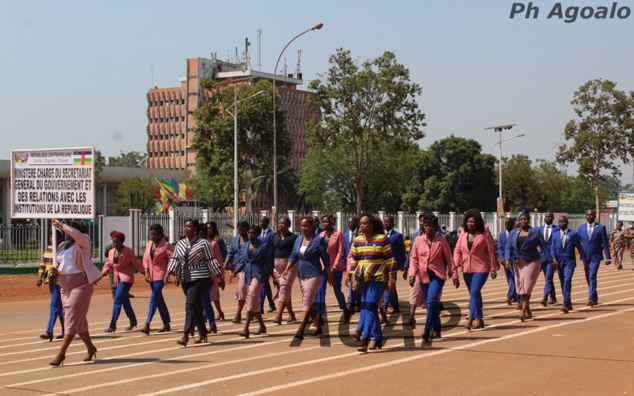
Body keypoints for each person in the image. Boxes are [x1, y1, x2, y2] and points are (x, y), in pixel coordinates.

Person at [49, 219, 102, 366]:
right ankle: (91, 348)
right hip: (65, 286)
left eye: (68, 230)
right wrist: (56, 270)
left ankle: (61, 354)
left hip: (81, 285)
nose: (65, 233)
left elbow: (76, 235)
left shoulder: (84, 242)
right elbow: (62, 263)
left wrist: (61, 225)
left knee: (71, 319)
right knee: (78, 321)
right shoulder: (63, 245)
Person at [167, 219, 222, 346]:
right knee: (196, 306)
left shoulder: (203, 243)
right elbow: (175, 259)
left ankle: (185, 334)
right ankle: (203, 332)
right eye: (185, 226)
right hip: (185, 278)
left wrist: (219, 276)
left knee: (190, 304)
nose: (187, 229)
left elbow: (211, 260)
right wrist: (168, 273)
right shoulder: (180, 244)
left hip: (200, 278)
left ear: (196, 229)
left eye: (190, 227)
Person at [349, 213, 396, 352]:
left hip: (378, 279)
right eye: (361, 224)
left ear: (372, 225)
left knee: (369, 306)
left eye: (365, 223)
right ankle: (378, 338)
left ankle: (364, 338)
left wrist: (392, 279)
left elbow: (390, 261)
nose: (362, 226)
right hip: (362, 279)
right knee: (369, 307)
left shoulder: (382, 239)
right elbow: (354, 261)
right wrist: (354, 279)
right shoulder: (357, 240)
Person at [409, 213, 458, 343]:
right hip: (423, 275)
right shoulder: (418, 240)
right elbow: (413, 258)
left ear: (435, 228)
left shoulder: (442, 240)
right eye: (426, 226)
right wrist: (412, 274)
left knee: (431, 301)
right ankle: (437, 328)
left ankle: (427, 329)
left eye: (430, 226)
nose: (428, 228)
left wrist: (454, 275)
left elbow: (449, 257)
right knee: (431, 304)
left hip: (437, 275)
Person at [285, 216, 332, 340]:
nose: (303, 228)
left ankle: (301, 330)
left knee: (307, 299)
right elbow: (294, 255)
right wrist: (287, 268)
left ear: (312, 226)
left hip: (315, 273)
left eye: (306, 226)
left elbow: (325, 258)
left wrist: (329, 274)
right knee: (309, 301)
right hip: (301, 274)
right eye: (302, 226)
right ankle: (318, 326)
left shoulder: (318, 240)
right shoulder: (298, 239)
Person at [505, 209, 554, 321]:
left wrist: (550, 259)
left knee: (527, 286)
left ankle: (523, 310)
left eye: (526, 219)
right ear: (519, 221)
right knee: (520, 287)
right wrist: (507, 259)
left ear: (529, 220)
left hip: (532, 261)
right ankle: (528, 309)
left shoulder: (535, 232)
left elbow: (544, 246)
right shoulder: (513, 233)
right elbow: (508, 247)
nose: (523, 221)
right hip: (518, 263)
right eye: (521, 219)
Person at [454, 209, 496, 330]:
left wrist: (493, 267)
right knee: (475, 294)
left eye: (472, 222)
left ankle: (471, 318)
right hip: (467, 269)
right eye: (468, 222)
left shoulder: (484, 235)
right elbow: (457, 251)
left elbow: (490, 252)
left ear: (477, 223)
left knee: (474, 292)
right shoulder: (462, 235)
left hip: (481, 268)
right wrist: (455, 266)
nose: (470, 224)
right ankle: (480, 319)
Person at [232, 225, 274, 338]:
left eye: (253, 233)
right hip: (247, 274)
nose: (250, 235)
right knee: (253, 300)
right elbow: (242, 261)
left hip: (258, 275)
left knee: (251, 296)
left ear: (258, 234)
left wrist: (273, 277)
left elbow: (268, 263)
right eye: (249, 232)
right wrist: (236, 271)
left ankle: (246, 328)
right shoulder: (244, 246)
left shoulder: (263, 247)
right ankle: (262, 326)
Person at [101, 232, 144, 333]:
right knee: (125, 302)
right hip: (117, 279)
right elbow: (108, 264)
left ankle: (112, 325)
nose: (115, 244)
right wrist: (100, 275)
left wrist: (144, 272)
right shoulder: (111, 251)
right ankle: (133, 321)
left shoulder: (128, 251)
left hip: (126, 279)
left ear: (122, 241)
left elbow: (136, 262)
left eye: (117, 242)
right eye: (114, 242)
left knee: (117, 300)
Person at [316, 214, 349, 324]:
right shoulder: (320, 235)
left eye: (327, 222)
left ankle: (345, 310)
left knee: (337, 291)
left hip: (335, 268)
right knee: (320, 290)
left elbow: (340, 251)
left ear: (332, 223)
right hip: (323, 268)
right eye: (323, 222)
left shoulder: (338, 234)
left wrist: (335, 266)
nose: (325, 224)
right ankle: (320, 314)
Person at [141, 224, 173, 335]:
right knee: (159, 300)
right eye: (151, 234)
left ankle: (147, 324)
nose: (152, 236)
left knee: (154, 299)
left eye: (155, 234)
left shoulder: (166, 245)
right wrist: (146, 273)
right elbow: (145, 259)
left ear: (160, 234)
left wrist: (168, 273)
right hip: (151, 275)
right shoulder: (149, 244)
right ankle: (166, 323)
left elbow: (172, 259)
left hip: (161, 275)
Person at [551, 216, 585, 313]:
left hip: (569, 262)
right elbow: (552, 248)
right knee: (562, 282)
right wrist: (553, 259)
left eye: (564, 221)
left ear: (567, 223)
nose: (562, 223)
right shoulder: (555, 235)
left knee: (567, 279)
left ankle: (565, 303)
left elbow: (579, 248)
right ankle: (568, 302)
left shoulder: (573, 234)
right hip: (559, 262)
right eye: (560, 222)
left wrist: (585, 261)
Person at [36, 227, 65, 341]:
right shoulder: (48, 249)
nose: (51, 238)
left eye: (53, 236)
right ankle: (66, 330)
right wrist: (39, 278)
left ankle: (49, 331)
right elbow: (42, 264)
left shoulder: (62, 250)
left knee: (54, 305)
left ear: (59, 238)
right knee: (59, 307)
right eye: (50, 236)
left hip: (60, 282)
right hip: (50, 282)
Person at [577, 210, 611, 307]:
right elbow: (577, 241)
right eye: (587, 214)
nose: (589, 216)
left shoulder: (600, 227)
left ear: (595, 216)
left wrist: (607, 257)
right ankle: (594, 296)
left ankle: (591, 298)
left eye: (591, 215)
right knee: (588, 276)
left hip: (596, 256)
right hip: (585, 257)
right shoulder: (581, 228)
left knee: (592, 275)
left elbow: (605, 243)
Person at [271, 217, 298, 324]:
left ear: (288, 225)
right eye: (280, 222)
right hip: (277, 265)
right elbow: (271, 250)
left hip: (289, 265)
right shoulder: (275, 236)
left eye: (284, 223)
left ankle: (279, 315)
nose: (281, 224)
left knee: (284, 287)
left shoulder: (293, 237)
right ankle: (291, 314)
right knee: (284, 290)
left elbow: (295, 252)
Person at [403, 213, 426, 327]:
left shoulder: (439, 236)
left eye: (424, 221)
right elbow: (411, 254)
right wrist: (406, 268)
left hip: (433, 272)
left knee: (432, 299)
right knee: (414, 292)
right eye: (420, 221)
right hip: (418, 270)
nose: (421, 223)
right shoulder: (416, 235)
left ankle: (434, 323)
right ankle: (411, 316)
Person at [225, 221, 249, 324]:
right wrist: (226, 263)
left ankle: (238, 314)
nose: (240, 231)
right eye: (238, 229)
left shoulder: (250, 240)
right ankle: (253, 311)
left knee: (242, 289)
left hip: (247, 268)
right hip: (237, 267)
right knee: (246, 291)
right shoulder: (235, 239)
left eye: (242, 229)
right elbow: (231, 252)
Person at [382, 215, 406, 316]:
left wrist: (404, 265)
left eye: (388, 222)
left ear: (393, 224)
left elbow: (401, 251)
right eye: (385, 221)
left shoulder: (397, 236)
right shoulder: (380, 235)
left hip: (393, 265)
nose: (385, 223)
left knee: (389, 285)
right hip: (382, 265)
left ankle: (385, 306)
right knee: (391, 287)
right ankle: (395, 306)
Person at [207, 221, 227, 321]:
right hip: (206, 272)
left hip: (215, 272)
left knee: (210, 294)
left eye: (210, 229)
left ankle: (205, 313)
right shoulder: (203, 241)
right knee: (214, 295)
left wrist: (222, 273)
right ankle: (220, 312)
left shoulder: (217, 241)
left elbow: (223, 254)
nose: (208, 231)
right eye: (207, 229)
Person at [539, 212, 559, 306]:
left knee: (548, 278)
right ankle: (553, 297)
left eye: (550, 217)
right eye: (546, 217)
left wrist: (555, 258)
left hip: (552, 258)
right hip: (542, 257)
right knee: (548, 279)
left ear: (553, 218)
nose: (548, 218)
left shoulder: (557, 229)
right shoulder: (540, 229)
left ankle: (545, 298)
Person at [258, 216, 276, 314]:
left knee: (264, 284)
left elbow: (273, 248)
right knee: (265, 284)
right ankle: (271, 303)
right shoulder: (258, 234)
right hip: (260, 262)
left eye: (263, 221)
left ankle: (260, 305)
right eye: (261, 221)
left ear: (268, 222)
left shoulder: (272, 234)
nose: (262, 223)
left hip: (268, 261)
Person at [498, 217, 517, 306]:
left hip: (515, 259)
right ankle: (515, 295)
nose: (506, 225)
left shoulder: (515, 233)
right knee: (509, 277)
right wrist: (501, 258)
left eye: (508, 223)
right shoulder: (501, 235)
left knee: (513, 277)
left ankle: (510, 296)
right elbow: (500, 248)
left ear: (512, 225)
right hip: (505, 261)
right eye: (505, 224)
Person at [342, 216, 360, 314]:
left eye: (352, 222)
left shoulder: (360, 233)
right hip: (350, 262)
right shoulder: (345, 235)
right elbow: (345, 251)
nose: (350, 224)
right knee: (352, 283)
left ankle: (357, 303)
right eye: (349, 223)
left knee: (357, 283)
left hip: (360, 263)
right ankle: (352, 303)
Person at [104, 229, 118, 298]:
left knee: (112, 277)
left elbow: (105, 254)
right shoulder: (117, 243)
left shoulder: (108, 244)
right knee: (117, 277)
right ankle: (119, 292)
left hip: (111, 262)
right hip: (117, 263)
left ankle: (114, 292)